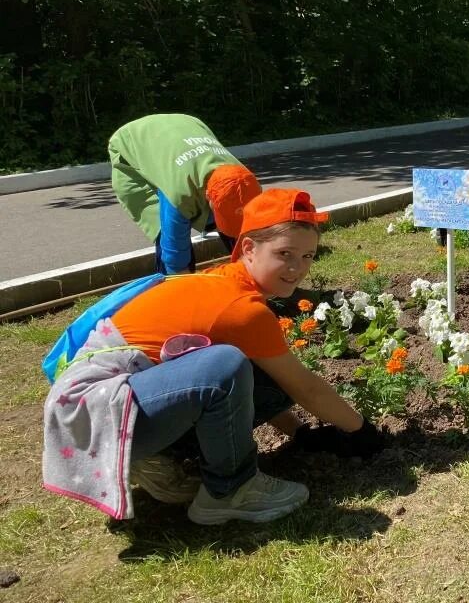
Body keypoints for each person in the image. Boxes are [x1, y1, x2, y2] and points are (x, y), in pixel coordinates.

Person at [42, 188, 389, 525]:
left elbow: (276, 382)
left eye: (308, 256)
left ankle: (164, 457)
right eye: (285, 253)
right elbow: (306, 389)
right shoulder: (241, 308)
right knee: (226, 364)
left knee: (260, 368)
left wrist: (299, 433)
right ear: (249, 248)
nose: (298, 268)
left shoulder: (223, 280)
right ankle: (230, 492)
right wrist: (362, 431)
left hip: (115, 402)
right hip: (97, 412)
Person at [108, 114, 262, 274]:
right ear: (208, 196)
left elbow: (257, 232)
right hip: (130, 149)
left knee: (236, 231)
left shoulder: (245, 179)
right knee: (165, 233)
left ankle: (249, 274)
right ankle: (167, 291)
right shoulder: (179, 196)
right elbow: (175, 255)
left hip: (187, 125)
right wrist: (183, 284)